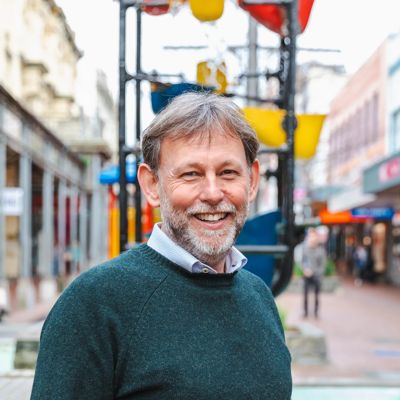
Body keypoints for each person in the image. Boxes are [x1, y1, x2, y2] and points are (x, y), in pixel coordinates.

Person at [31, 93, 292, 399]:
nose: (212, 193)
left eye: (228, 173)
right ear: (151, 186)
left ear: (252, 180)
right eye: (191, 174)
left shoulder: (259, 296)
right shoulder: (94, 304)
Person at [301, 228, 327, 318]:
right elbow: (303, 261)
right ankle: (305, 312)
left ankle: (316, 312)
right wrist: (305, 269)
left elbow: (322, 266)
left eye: (313, 236)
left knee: (316, 295)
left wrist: (314, 272)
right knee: (305, 294)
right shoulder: (305, 249)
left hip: (316, 276)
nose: (312, 238)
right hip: (306, 275)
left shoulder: (321, 250)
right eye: (310, 236)